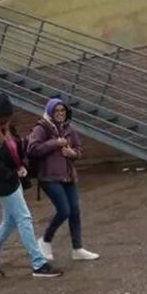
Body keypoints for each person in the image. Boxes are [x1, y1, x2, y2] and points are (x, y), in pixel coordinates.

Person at [0, 93, 62, 278]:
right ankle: (38, 263)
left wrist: (26, 162)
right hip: (1, 182)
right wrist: (11, 172)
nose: (7, 122)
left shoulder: (7, 129)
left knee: (10, 220)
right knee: (24, 218)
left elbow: (16, 149)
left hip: (13, 179)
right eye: (4, 119)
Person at [27, 97, 100, 262]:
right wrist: (55, 143)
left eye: (63, 111)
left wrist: (73, 153)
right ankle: (45, 241)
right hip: (49, 177)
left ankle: (77, 249)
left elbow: (78, 149)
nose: (60, 114)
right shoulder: (41, 128)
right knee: (64, 210)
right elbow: (32, 149)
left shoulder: (69, 128)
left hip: (68, 176)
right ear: (50, 112)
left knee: (75, 211)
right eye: (57, 111)